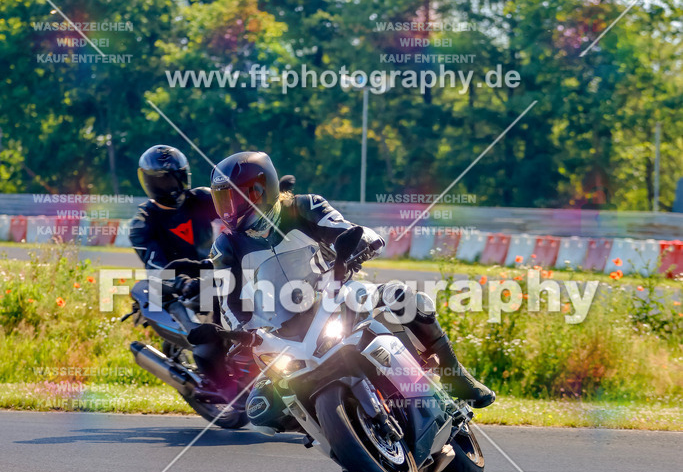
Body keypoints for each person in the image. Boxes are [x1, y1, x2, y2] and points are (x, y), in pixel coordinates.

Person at [191, 150, 494, 408]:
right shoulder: (226, 245)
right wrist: (244, 333)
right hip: (280, 331)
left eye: (238, 197)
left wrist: (362, 243)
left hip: (333, 300)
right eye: (224, 200)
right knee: (260, 408)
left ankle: (456, 376)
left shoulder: (304, 207)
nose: (231, 208)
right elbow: (228, 300)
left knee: (402, 295)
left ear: (264, 187)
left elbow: (346, 230)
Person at [130, 145, 218, 270]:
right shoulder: (143, 223)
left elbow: (239, 214)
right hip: (176, 281)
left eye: (178, 177)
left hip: (214, 274)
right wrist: (180, 280)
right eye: (165, 180)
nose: (174, 185)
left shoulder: (201, 199)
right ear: (150, 182)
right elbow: (156, 268)